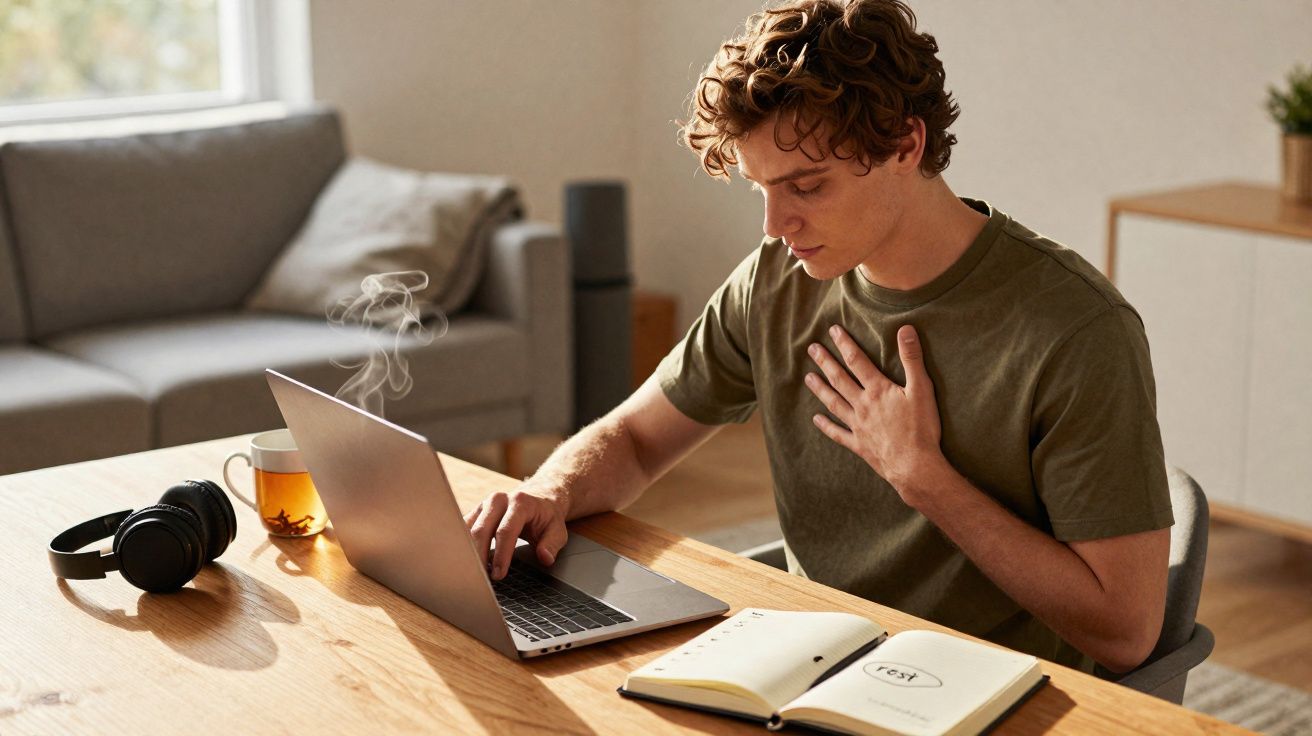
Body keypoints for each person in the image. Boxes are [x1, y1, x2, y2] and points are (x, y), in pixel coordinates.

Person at [465, 0, 1172, 673]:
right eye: (760, 189)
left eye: (806, 187)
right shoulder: (776, 281)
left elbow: (1126, 632)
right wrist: (549, 491)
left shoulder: (1077, 330)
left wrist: (923, 477)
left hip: (992, 691)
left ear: (905, 144)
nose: (774, 226)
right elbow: (638, 438)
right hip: (817, 660)